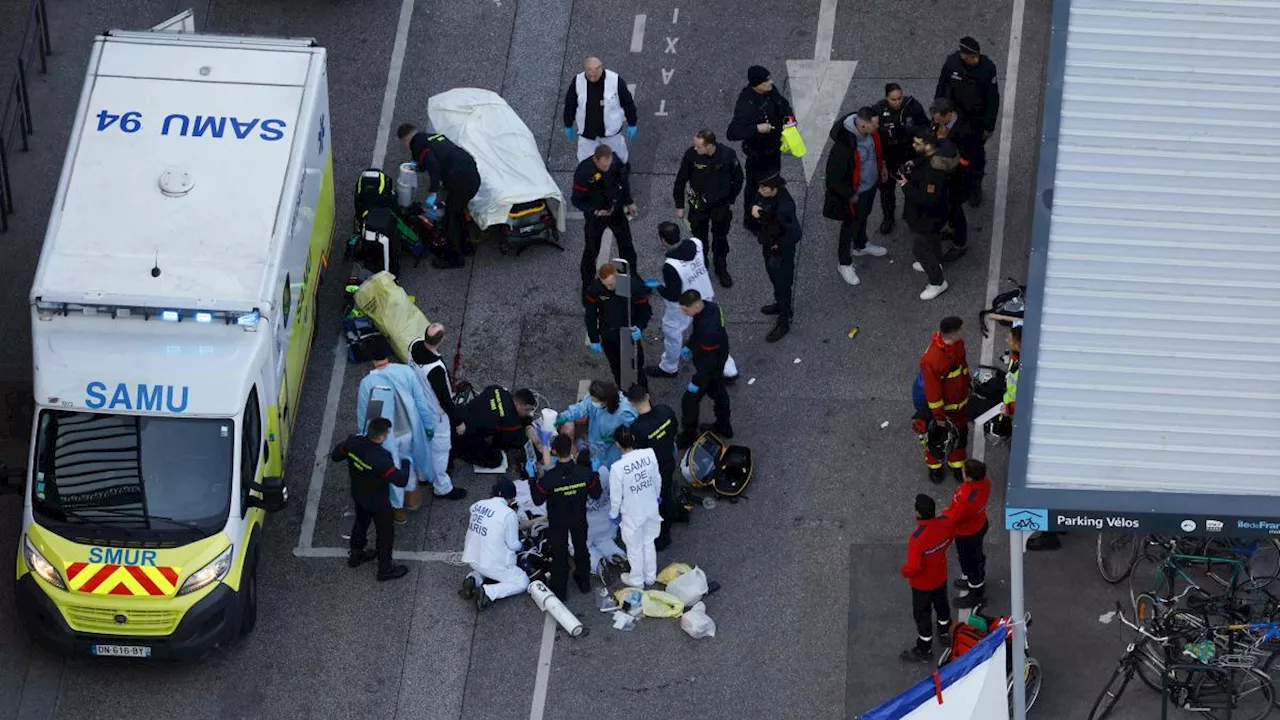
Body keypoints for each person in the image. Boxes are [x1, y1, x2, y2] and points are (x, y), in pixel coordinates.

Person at [357, 339, 465, 526]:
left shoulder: (368, 383)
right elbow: (420, 402)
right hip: (410, 431)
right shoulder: (405, 372)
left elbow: (365, 417)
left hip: (386, 438)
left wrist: (366, 440)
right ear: (388, 354)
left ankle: (398, 510)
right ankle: (412, 497)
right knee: (410, 462)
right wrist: (429, 426)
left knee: (393, 470)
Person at [646, 222, 739, 379]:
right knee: (714, 330)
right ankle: (728, 368)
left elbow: (673, 294)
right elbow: (705, 263)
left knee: (672, 334)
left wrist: (658, 287)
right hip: (704, 295)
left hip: (683, 306)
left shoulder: (670, 266)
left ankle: (669, 367)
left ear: (662, 240)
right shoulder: (696, 243)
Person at [330, 418, 410, 582]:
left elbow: (336, 455)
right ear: (382, 436)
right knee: (385, 534)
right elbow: (401, 481)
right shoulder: (382, 458)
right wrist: (407, 464)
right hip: (378, 502)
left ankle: (356, 555)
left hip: (358, 494)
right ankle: (385, 570)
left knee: (361, 522)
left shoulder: (353, 443)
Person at [396, 123, 479, 269]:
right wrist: (419, 166)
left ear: (405, 141)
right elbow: (434, 157)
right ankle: (467, 248)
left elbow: (433, 165)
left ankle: (455, 260)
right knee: (457, 213)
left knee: (450, 221)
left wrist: (434, 192)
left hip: (461, 182)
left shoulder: (419, 145)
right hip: (472, 174)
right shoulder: (432, 137)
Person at [824, 107, 889, 288]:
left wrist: (881, 166)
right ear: (863, 125)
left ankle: (861, 244)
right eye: (874, 124)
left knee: (863, 217)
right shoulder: (843, 147)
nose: (878, 127)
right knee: (849, 225)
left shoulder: (870, 134)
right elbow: (834, 178)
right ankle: (844, 263)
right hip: (854, 194)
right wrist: (850, 195)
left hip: (869, 186)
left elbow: (877, 152)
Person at [531, 434, 601, 599]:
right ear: (572, 449)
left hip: (558, 520)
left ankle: (560, 591)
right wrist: (595, 473)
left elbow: (537, 500)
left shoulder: (549, 478)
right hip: (578, 517)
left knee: (559, 554)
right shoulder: (585, 473)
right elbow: (596, 494)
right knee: (581, 549)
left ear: (554, 452)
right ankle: (584, 582)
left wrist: (532, 478)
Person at [672, 129, 744, 287]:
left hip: (720, 205)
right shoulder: (691, 156)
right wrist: (680, 205)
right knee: (699, 239)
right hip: (698, 204)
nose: (695, 149)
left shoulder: (727, 155)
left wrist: (731, 200)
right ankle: (701, 266)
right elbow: (681, 180)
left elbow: (738, 178)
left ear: (710, 145)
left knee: (720, 237)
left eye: (699, 146)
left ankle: (721, 267)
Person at [726, 65, 794, 231]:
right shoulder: (746, 104)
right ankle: (751, 221)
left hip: (774, 149)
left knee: (773, 182)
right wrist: (757, 129)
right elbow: (732, 132)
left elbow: (782, 104)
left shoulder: (770, 90)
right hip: (758, 155)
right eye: (766, 80)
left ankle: (771, 212)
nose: (771, 82)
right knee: (755, 188)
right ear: (757, 84)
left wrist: (789, 118)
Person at [934, 36, 1000, 207]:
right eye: (971, 58)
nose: (975, 60)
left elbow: (993, 99)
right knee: (952, 150)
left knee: (975, 156)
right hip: (954, 117)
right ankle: (956, 183)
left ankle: (975, 187)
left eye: (976, 56)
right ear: (963, 56)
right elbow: (941, 88)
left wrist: (989, 126)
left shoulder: (987, 68)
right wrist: (937, 114)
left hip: (976, 119)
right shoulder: (952, 64)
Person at [572, 145, 639, 305]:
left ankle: (630, 285)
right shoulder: (584, 172)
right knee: (591, 252)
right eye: (603, 166)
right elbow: (577, 200)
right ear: (595, 159)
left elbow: (623, 182)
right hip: (596, 217)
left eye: (608, 164)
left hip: (615, 212)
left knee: (627, 249)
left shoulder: (614, 161)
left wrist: (629, 202)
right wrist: (595, 211)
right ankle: (588, 290)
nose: (606, 168)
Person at [900, 130, 959, 301]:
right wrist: (914, 163)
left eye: (917, 143)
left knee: (919, 249)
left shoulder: (933, 172)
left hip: (927, 217)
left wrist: (905, 186)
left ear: (927, 146)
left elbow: (927, 199)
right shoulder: (932, 158)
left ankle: (937, 281)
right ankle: (937, 261)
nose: (914, 145)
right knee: (933, 240)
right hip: (934, 215)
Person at [626, 384, 684, 550]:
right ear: (648, 396)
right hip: (669, 459)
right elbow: (674, 429)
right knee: (666, 491)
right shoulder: (665, 411)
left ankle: (663, 536)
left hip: (654, 470)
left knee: (659, 501)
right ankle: (675, 512)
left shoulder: (637, 428)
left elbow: (639, 453)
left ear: (631, 404)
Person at [900, 494, 954, 662]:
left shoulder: (917, 539)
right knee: (942, 605)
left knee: (922, 615)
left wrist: (904, 571)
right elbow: (950, 538)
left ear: (918, 514)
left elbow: (914, 567)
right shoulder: (944, 525)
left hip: (922, 584)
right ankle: (944, 632)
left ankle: (924, 649)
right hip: (940, 576)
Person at [459, 481, 528, 610]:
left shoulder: (478, 505)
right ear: (511, 498)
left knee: (487, 563)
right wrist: (522, 546)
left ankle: (474, 579)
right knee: (522, 581)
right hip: (493, 564)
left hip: (473, 559)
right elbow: (513, 545)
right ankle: (488, 592)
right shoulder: (509, 514)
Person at [409, 323, 459, 498]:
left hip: (417, 407)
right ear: (441, 340)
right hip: (435, 415)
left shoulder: (414, 346)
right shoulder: (435, 369)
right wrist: (458, 421)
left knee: (421, 443)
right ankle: (442, 487)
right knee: (440, 451)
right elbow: (444, 399)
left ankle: (422, 475)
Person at [920, 316, 971, 483]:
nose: (964, 332)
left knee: (960, 437)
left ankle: (956, 465)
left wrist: (969, 385)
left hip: (960, 404)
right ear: (954, 335)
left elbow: (963, 367)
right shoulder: (932, 360)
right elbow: (933, 393)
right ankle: (935, 467)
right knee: (937, 440)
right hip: (945, 410)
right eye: (961, 330)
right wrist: (939, 417)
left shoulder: (957, 344)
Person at [609, 426, 662, 588]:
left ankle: (637, 580)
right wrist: (657, 496)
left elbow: (616, 497)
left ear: (617, 444)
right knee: (649, 542)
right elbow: (656, 479)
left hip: (632, 513)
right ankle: (651, 576)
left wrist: (613, 513)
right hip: (651, 507)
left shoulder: (617, 468)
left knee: (634, 547)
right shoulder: (649, 455)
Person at [677, 290, 732, 446]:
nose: (683, 311)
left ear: (695, 306)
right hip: (719, 358)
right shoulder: (712, 308)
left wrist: (697, 381)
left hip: (709, 367)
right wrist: (690, 345)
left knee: (689, 400)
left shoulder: (709, 330)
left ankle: (689, 435)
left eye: (685, 309)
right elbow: (697, 333)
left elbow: (709, 362)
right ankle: (724, 426)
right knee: (718, 392)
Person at [585, 263, 653, 388]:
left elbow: (645, 310)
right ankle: (623, 393)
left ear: (617, 277)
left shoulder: (632, 286)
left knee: (636, 367)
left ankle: (643, 396)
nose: (610, 287)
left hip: (629, 333)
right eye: (606, 285)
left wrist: (640, 326)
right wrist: (594, 338)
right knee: (616, 367)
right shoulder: (595, 289)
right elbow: (590, 315)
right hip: (608, 334)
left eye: (612, 284)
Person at [752, 174, 802, 342]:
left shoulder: (785, 208)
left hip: (781, 251)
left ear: (774, 189)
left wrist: (762, 215)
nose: (759, 191)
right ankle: (781, 305)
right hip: (770, 245)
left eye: (763, 188)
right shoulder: (767, 195)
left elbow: (793, 233)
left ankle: (784, 320)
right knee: (774, 277)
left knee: (783, 283)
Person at [563, 56, 638, 164]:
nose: (593, 78)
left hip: (611, 133)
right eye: (589, 76)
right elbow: (570, 105)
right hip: (587, 134)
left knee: (619, 159)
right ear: (585, 70)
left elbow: (627, 103)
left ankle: (621, 176)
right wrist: (568, 124)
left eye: (595, 75)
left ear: (601, 68)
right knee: (585, 162)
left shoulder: (615, 80)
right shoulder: (577, 82)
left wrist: (632, 122)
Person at [556, 380, 637, 476]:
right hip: (596, 444)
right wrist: (565, 416)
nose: (592, 402)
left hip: (613, 449)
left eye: (595, 400)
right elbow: (580, 408)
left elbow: (631, 432)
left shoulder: (625, 412)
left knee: (612, 472)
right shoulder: (594, 400)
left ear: (605, 401)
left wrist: (615, 439)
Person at [930, 98, 977, 260]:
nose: (936, 123)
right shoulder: (943, 123)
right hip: (947, 175)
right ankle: (951, 229)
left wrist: (952, 170)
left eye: (939, 119)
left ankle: (960, 243)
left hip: (959, 177)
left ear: (949, 114)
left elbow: (967, 158)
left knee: (956, 210)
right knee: (949, 208)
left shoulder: (965, 129)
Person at [453, 386, 542, 470]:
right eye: (528, 410)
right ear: (522, 406)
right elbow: (512, 441)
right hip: (462, 434)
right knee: (495, 460)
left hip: (457, 415)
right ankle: (458, 451)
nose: (529, 413)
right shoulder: (510, 423)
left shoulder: (496, 389)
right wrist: (539, 451)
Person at [947, 459, 991, 609]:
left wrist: (944, 517)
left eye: (964, 471)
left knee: (971, 564)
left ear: (970, 477)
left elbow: (955, 518)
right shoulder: (984, 483)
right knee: (975, 559)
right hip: (979, 525)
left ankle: (976, 594)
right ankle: (974, 582)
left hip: (968, 534)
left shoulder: (967, 498)